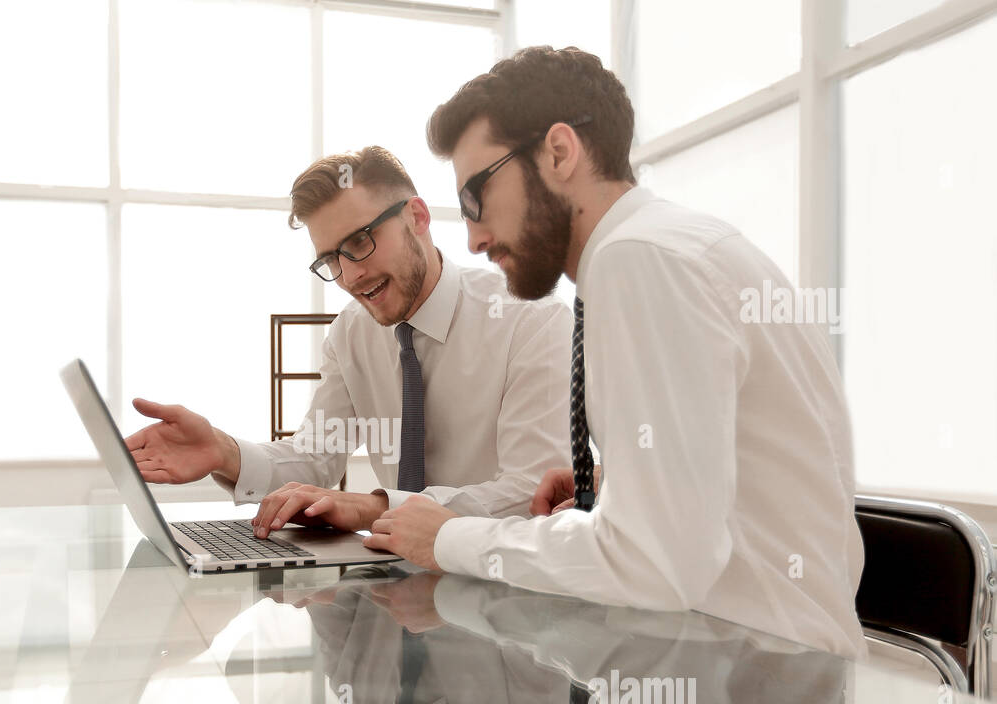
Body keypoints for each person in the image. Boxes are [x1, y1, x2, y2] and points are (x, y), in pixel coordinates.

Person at [364, 46, 865, 660]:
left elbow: (653, 563)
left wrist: (452, 539)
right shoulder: (672, 246)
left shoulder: (640, 262)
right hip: (753, 671)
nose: (473, 237)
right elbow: (727, 491)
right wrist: (622, 483)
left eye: (476, 199)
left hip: (746, 688)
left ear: (558, 151)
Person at [124, 146, 571, 539]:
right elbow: (316, 455)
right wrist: (223, 451)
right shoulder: (352, 333)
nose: (351, 276)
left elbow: (531, 491)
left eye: (360, 241)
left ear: (417, 217)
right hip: (394, 581)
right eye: (331, 259)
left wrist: (374, 508)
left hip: (505, 593)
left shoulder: (530, 321)